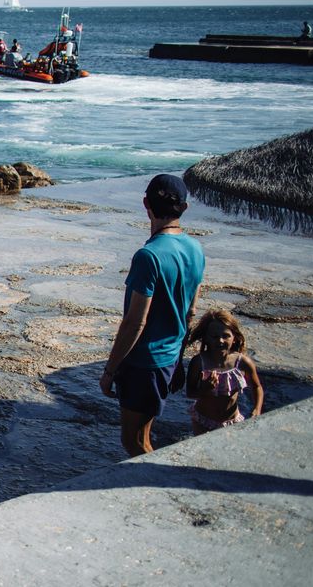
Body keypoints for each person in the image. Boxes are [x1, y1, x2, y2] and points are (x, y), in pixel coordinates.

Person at [99, 174, 205, 457]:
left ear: (146, 204)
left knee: (133, 442)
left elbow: (135, 322)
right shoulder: (195, 248)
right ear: (184, 208)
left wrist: (110, 371)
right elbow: (191, 310)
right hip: (168, 357)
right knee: (144, 435)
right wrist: (179, 355)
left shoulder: (149, 256)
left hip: (143, 362)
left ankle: (154, 490)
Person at [184, 309, 262, 435]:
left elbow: (257, 386)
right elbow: (190, 392)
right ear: (206, 338)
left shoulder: (243, 362)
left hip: (232, 420)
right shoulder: (199, 362)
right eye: (214, 336)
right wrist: (205, 389)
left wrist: (257, 409)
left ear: (235, 338)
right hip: (203, 421)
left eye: (226, 336)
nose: (220, 340)